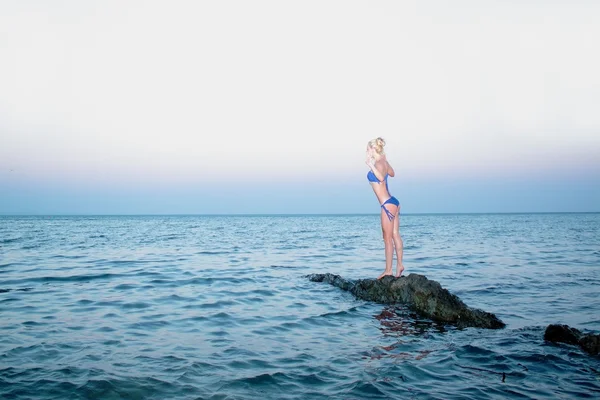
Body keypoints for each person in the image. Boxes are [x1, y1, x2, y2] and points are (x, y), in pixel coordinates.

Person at [365, 137, 405, 279]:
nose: (366, 151)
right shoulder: (384, 162)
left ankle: (388, 270)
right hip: (394, 202)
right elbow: (392, 173)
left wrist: (371, 165)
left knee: (387, 238)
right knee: (395, 234)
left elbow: (381, 178)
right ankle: (399, 265)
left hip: (387, 205)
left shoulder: (377, 164)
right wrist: (384, 161)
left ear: (373, 149)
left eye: (368, 149)